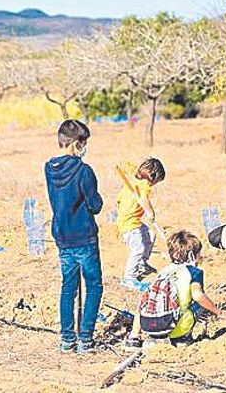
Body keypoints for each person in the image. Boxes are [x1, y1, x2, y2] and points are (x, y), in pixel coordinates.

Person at [45, 119, 103, 354]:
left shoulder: (49, 168)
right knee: (94, 286)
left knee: (68, 286)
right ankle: (85, 339)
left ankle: (67, 338)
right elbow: (95, 205)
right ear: (77, 143)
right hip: (84, 236)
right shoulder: (84, 170)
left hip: (62, 235)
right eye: (84, 142)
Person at [123, 231, 226, 348]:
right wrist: (218, 312)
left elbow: (143, 302)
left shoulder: (163, 272)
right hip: (172, 326)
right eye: (199, 253)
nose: (201, 256)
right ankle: (181, 338)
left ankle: (134, 338)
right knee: (200, 304)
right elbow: (198, 296)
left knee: (147, 300)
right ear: (191, 255)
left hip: (149, 326)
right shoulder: (193, 272)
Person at [117, 158, 166, 286]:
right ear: (153, 178)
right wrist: (151, 212)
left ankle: (142, 264)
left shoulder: (137, 180)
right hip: (129, 222)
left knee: (150, 235)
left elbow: (127, 165)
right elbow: (143, 199)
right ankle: (129, 278)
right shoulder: (145, 186)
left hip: (132, 220)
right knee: (138, 248)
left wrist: (124, 164)